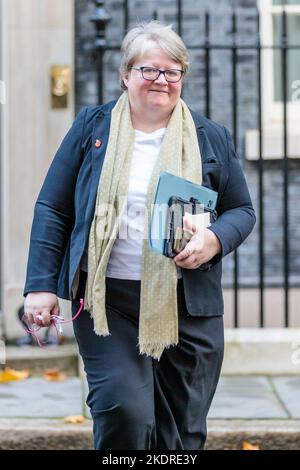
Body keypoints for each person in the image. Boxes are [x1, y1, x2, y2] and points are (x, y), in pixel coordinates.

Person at [23, 20, 256, 450]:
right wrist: (40, 286)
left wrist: (214, 240)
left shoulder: (211, 138)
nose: (161, 81)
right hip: (109, 303)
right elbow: (53, 207)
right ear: (126, 75)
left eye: (172, 71)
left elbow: (241, 209)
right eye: (149, 70)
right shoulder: (92, 129)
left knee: (181, 435)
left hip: (187, 305)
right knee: (123, 414)